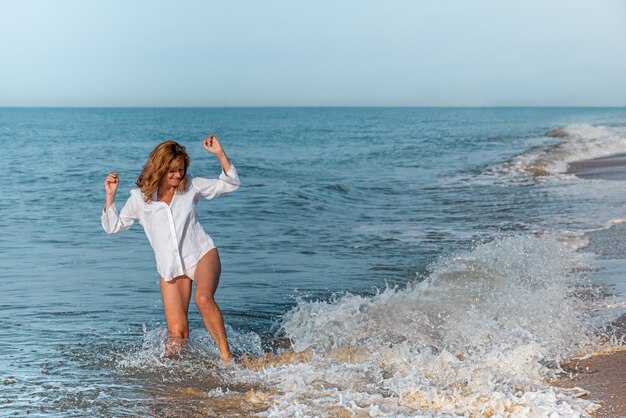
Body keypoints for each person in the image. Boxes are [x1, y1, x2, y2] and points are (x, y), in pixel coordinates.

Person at [101, 136, 240, 365]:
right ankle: (174, 382)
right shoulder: (140, 198)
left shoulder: (190, 186)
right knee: (177, 335)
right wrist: (110, 196)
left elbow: (230, 183)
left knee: (204, 299)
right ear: (160, 168)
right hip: (171, 269)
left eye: (181, 170)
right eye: (172, 171)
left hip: (201, 255)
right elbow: (113, 226)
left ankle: (227, 358)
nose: (178, 176)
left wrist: (220, 155)